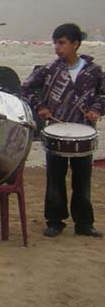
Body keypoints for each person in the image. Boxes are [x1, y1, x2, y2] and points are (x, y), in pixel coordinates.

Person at [21, 23, 104, 238]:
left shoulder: (93, 71)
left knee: (82, 178)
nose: (57, 47)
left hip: (84, 131)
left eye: (62, 43)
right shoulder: (50, 69)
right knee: (55, 177)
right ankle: (55, 221)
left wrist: (96, 109)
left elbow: (103, 95)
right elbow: (26, 87)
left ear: (75, 44)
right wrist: (40, 107)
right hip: (56, 130)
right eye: (55, 43)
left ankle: (84, 223)